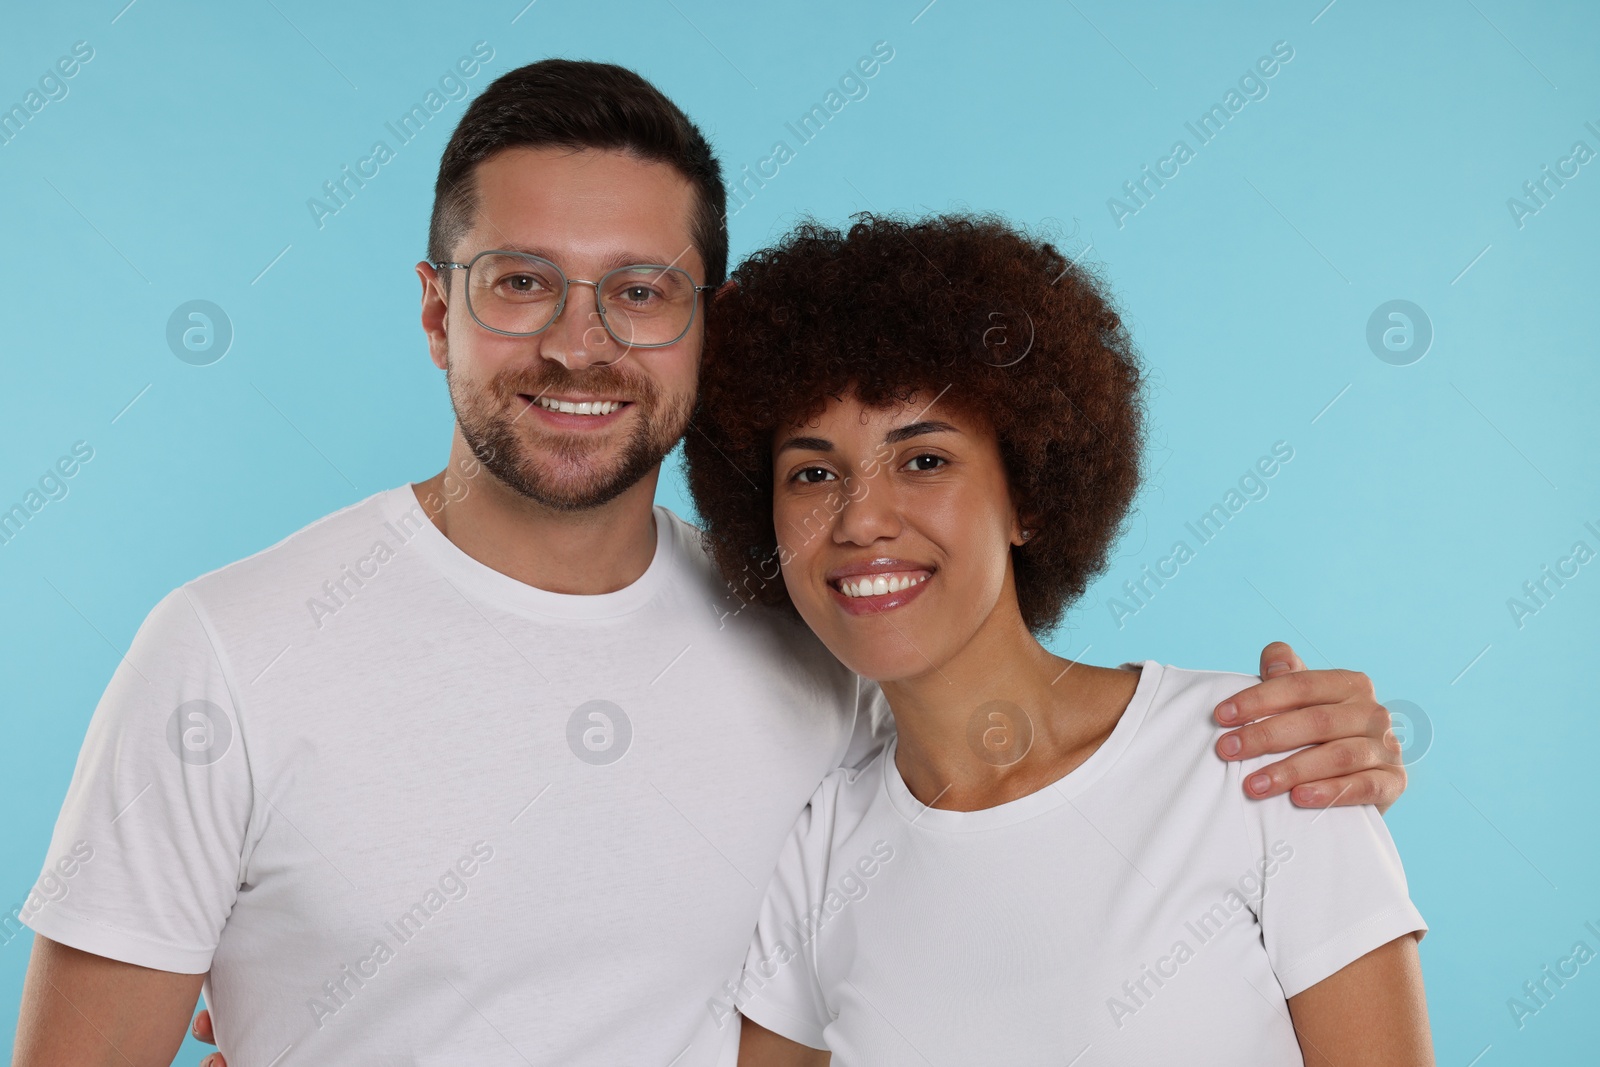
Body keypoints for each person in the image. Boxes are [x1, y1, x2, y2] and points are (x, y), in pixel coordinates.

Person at [12, 63, 1407, 1067]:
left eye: (638, 288)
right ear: (436, 309)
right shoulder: (227, 650)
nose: (580, 340)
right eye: (519, 280)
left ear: (704, 324)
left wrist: (1330, 743)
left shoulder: (820, 652)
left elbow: (1017, 782)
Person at [682, 214, 1432, 1065]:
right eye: (813, 473)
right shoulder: (818, 858)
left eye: (924, 459)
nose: (862, 519)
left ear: (1028, 499)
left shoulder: (1260, 758)